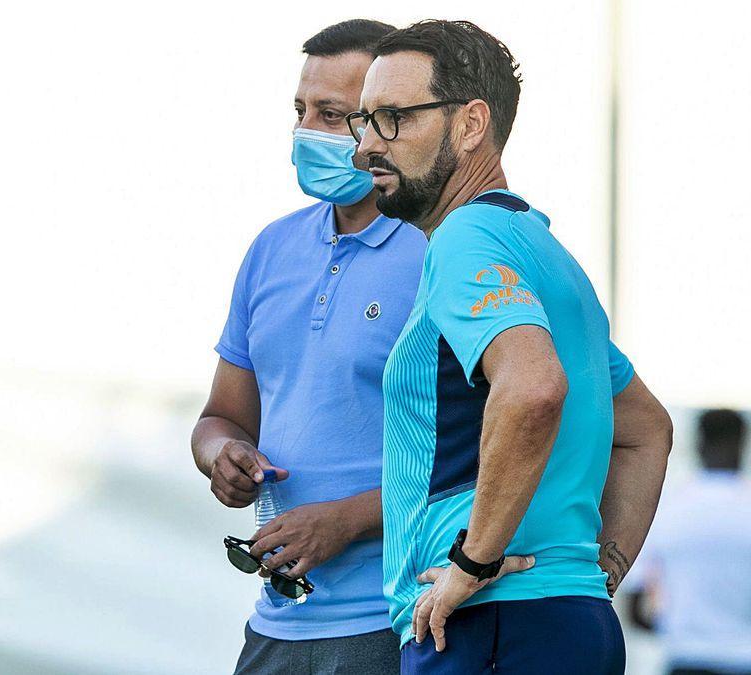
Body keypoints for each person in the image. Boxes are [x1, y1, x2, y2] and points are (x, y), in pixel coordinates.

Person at [354, 19, 674, 674]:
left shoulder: (466, 236)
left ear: (471, 125)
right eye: (363, 122)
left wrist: (473, 562)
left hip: (488, 622)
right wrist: (593, 574)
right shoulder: (547, 251)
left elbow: (533, 386)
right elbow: (647, 429)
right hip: (561, 620)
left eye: (392, 119)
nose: (365, 148)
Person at [190, 18, 427, 675]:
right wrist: (223, 454)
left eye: (332, 114)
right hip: (277, 624)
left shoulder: (440, 252)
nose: (307, 132)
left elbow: (493, 451)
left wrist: (345, 521)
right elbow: (223, 416)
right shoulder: (272, 249)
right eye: (301, 111)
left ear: (389, 120)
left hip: (397, 622)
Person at [625, 409, 751, 675]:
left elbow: (636, 610)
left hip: (685, 658)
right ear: (743, 442)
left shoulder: (667, 507)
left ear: (699, 443)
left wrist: (678, 628)